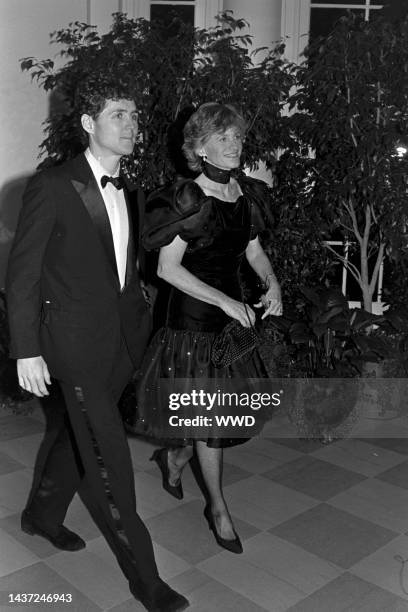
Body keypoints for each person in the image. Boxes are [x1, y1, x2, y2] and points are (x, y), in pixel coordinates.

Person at [5, 77, 189, 612]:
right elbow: (23, 275)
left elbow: (124, 270)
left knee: (77, 432)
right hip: (72, 345)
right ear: (89, 124)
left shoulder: (130, 187)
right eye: (118, 115)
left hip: (122, 341)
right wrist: (26, 349)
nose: (132, 125)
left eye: (134, 115)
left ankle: (40, 516)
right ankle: (147, 581)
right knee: (109, 460)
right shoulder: (53, 185)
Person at [132, 102, 282, 554]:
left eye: (236, 136)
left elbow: (253, 250)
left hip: (233, 319)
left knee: (220, 410)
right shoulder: (187, 199)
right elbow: (168, 269)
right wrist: (225, 301)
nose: (233, 144)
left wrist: (272, 283)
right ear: (199, 147)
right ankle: (218, 508)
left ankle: (176, 456)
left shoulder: (247, 194)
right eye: (222, 138)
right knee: (211, 416)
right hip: (195, 318)